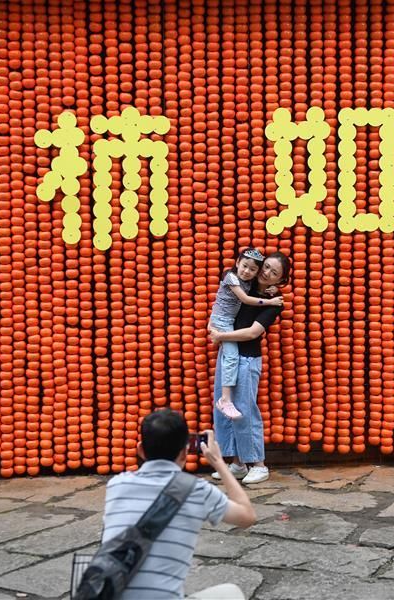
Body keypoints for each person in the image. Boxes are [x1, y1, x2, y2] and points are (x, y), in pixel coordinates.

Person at [100, 409, 256, 600]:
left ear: (140, 450)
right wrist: (219, 463)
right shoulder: (196, 490)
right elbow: (247, 516)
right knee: (231, 593)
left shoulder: (117, 485)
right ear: (185, 452)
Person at [207, 252, 291, 485]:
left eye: (275, 273)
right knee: (224, 410)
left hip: (247, 359)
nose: (267, 273)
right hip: (228, 354)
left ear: (280, 281)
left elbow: (253, 332)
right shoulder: (244, 285)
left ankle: (259, 465)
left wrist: (221, 335)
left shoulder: (275, 303)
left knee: (244, 409)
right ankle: (237, 464)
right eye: (266, 267)